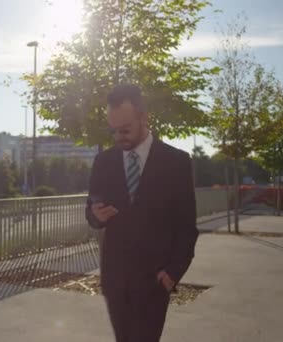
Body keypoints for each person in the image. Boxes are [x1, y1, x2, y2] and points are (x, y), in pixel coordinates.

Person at [85, 84, 199, 342]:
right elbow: (90, 210)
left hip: (155, 281)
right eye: (113, 130)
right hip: (115, 281)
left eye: (124, 129)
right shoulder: (103, 162)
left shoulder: (177, 162)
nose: (118, 137)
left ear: (144, 117)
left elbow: (186, 227)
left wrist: (171, 275)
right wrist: (95, 215)